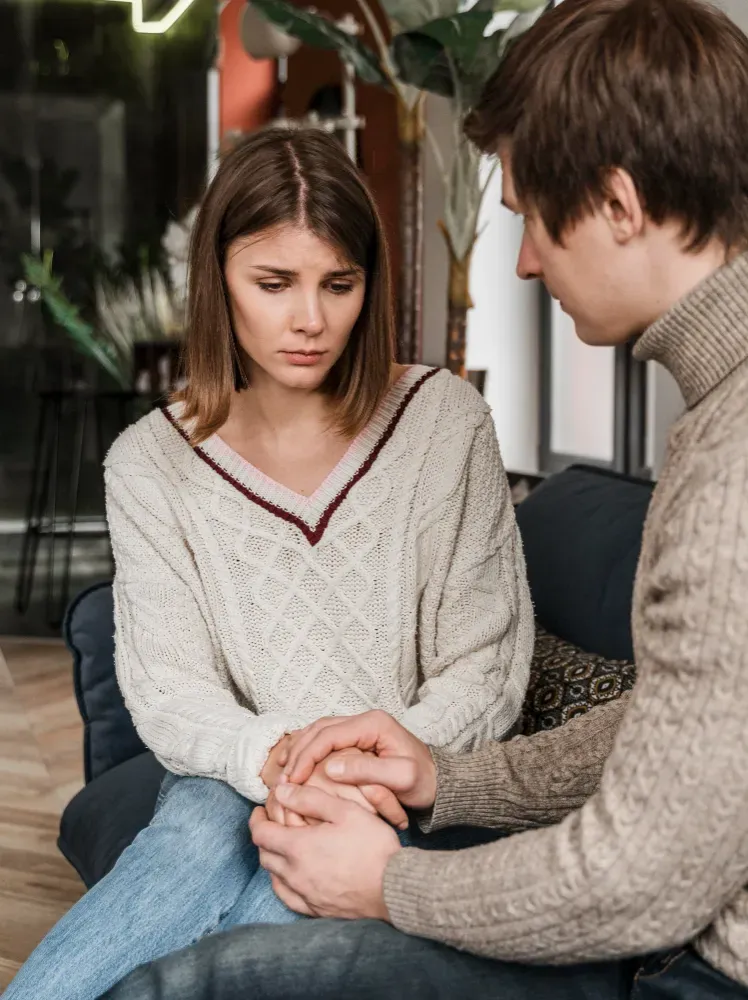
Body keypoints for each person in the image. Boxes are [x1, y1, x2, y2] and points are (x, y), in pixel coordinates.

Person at [102, 0, 748, 997]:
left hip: (690, 966)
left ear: (618, 206)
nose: (525, 262)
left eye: (531, 218)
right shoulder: (715, 419)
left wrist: (391, 881)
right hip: (648, 918)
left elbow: (639, 875)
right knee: (199, 830)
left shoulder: (728, 465)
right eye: (272, 281)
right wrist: (445, 778)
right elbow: (679, 729)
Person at [3, 128, 533, 1000]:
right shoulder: (149, 461)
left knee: (274, 898)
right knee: (201, 827)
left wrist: (364, 771)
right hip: (236, 774)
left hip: (398, 791)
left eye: (339, 284)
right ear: (219, 281)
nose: (311, 321)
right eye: (274, 283)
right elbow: (170, 689)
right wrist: (276, 756)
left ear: (371, 283)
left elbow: (486, 665)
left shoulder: (445, 421)